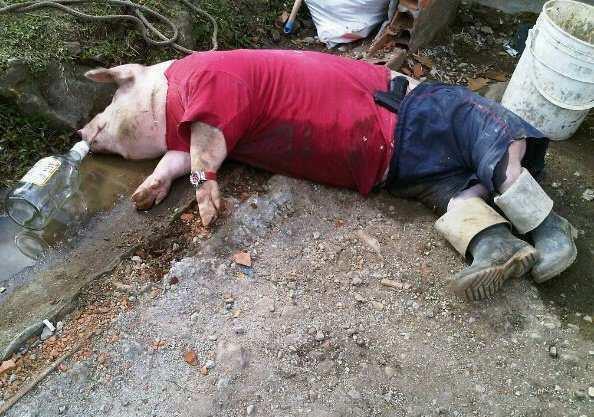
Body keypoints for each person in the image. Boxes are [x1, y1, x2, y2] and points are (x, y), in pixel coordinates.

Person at [79, 50, 577, 301]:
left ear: (131, 76)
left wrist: (201, 179)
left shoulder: (199, 73)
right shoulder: (191, 119)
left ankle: (549, 228)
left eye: (109, 107)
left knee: (492, 145)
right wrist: (164, 176)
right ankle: (496, 246)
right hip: (390, 168)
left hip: (412, 112)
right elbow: (197, 142)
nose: (100, 125)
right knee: (458, 200)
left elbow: (209, 133)